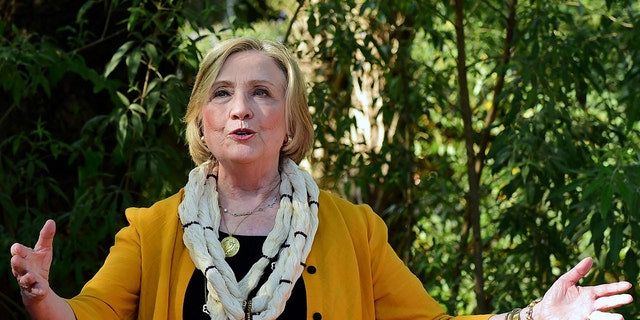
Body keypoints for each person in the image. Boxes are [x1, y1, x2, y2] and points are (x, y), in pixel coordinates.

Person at [10, 37, 633, 320]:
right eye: (222, 93)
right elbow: (89, 315)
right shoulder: (152, 231)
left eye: (262, 93)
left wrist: (535, 319)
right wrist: (44, 298)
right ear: (202, 119)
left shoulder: (353, 231)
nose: (240, 108)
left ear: (292, 122)